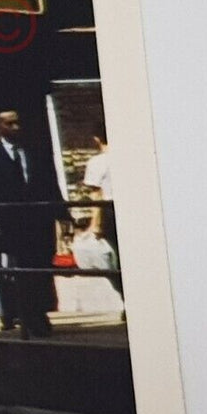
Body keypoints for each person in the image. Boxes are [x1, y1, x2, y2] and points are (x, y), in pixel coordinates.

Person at [0, 110, 70, 339]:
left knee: (42, 267)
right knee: (23, 270)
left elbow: (50, 182)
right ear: (0, 127)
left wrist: (61, 212)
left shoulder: (35, 151)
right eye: (10, 124)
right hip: (13, 222)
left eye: (18, 123)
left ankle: (39, 311)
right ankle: (29, 315)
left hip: (40, 220)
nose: (16, 128)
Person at [81, 122, 122, 302]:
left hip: (109, 210)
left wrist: (95, 223)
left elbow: (96, 194)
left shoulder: (97, 162)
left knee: (115, 258)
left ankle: (127, 298)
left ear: (97, 139)